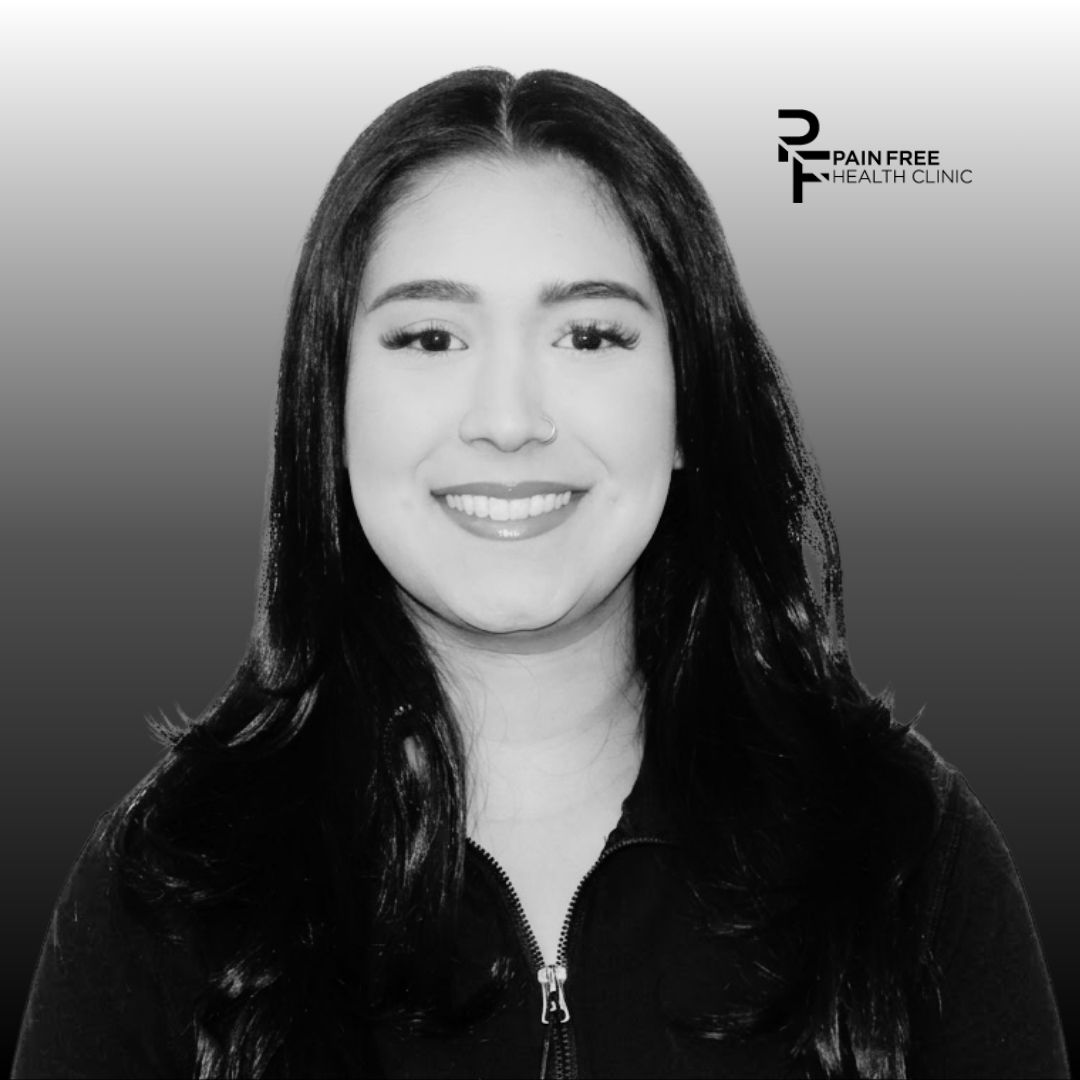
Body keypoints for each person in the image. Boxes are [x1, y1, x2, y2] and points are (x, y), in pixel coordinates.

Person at [12, 67, 1069, 1080]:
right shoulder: (172, 887)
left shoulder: (897, 852)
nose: (509, 419)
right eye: (431, 337)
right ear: (330, 407)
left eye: (591, 335)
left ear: (689, 402)